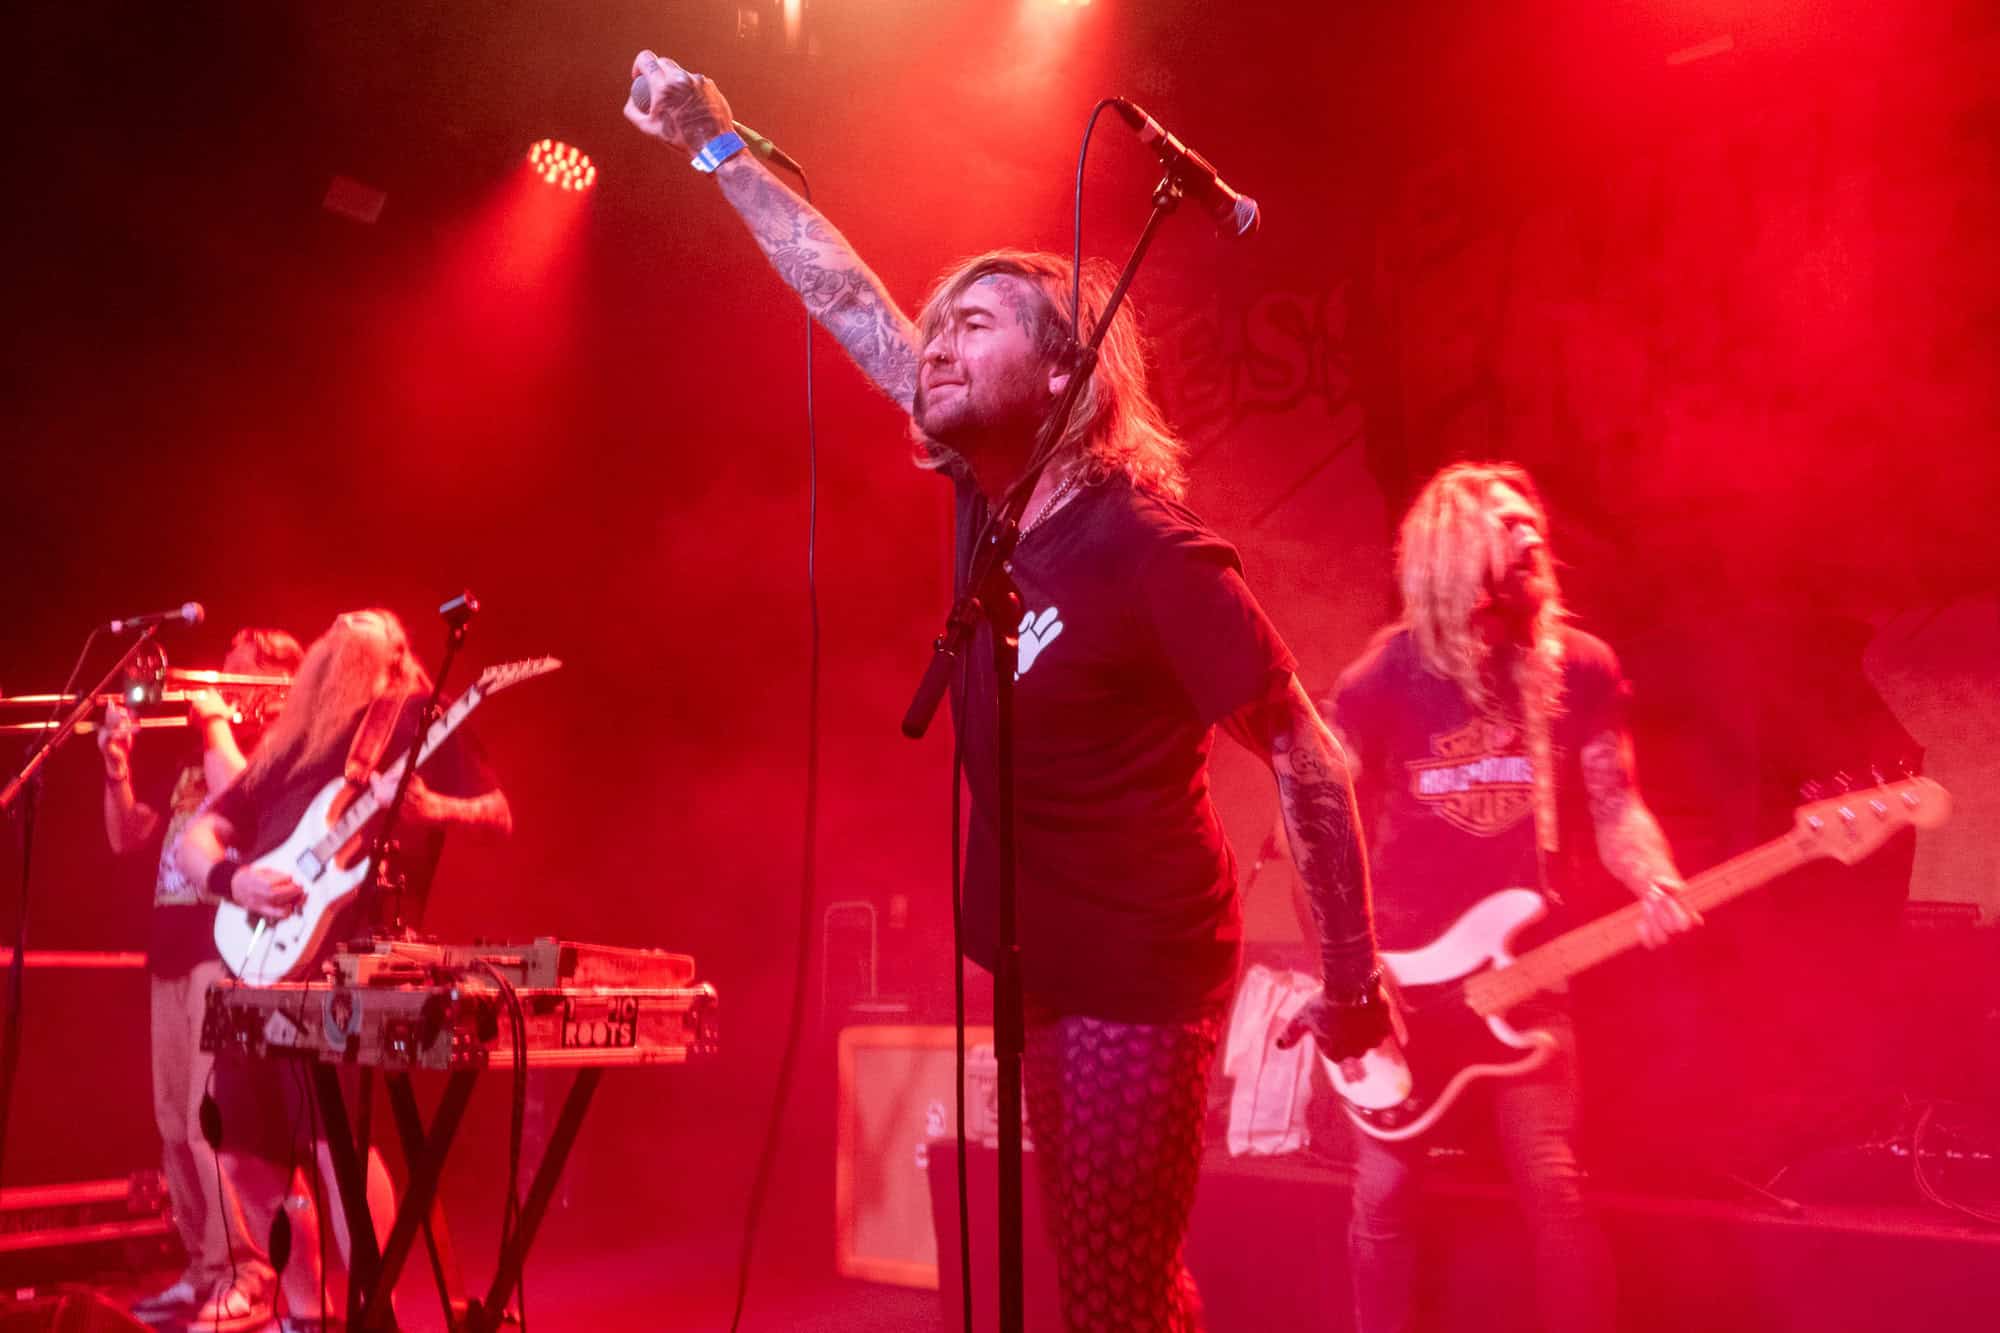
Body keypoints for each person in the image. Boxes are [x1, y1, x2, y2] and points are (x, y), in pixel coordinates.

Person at [624, 53, 1389, 1330]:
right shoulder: (992, 498)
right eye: (941, 326)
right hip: (1042, 952)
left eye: (975, 324)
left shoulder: (1149, 547)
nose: (935, 344)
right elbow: (849, 300)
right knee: (1112, 1279)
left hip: (1138, 962)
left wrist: (1352, 984)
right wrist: (717, 149)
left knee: (1108, 1292)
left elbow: (1305, 755)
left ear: (1060, 374)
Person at [1281, 462, 1700, 1333]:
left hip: (1526, 972)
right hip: (1398, 980)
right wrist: (1346, 972)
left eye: (1532, 518)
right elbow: (1310, 824)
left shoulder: (1578, 668)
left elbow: (1617, 806)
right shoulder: (1382, 675)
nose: (1532, 532)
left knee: (1556, 1183)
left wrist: (1654, 876)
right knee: (1384, 1193)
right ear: (1452, 547)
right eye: (1506, 523)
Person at [174, 608, 512, 1329]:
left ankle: (370, 1307)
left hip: (350, 964)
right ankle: (307, 1311)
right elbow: (197, 836)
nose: (350, 619)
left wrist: (433, 808)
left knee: (340, 1145)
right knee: (244, 1151)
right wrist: (234, 880)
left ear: (397, 655)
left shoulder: (417, 716)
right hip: (263, 963)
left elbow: (499, 812)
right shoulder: (288, 746)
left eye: (373, 621)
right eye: (340, 622)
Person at [100, 627, 304, 1328]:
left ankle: (250, 1272)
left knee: (206, 1123)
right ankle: (204, 1268)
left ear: (275, 685)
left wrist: (218, 721)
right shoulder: (197, 756)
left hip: (225, 949)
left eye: (235, 676)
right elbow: (127, 836)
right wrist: (117, 772)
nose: (216, 687)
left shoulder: (274, 750)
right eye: (220, 674)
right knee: (170, 1123)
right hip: (170, 948)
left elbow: (246, 801)